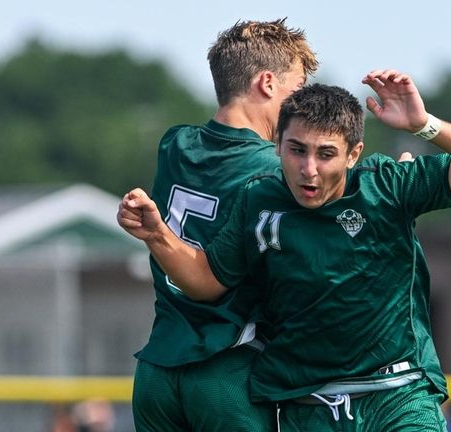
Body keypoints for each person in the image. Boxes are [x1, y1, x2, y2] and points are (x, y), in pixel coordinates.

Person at [119, 72, 451, 430]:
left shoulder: (387, 185)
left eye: (326, 154)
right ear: (277, 145)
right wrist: (157, 235)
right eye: (297, 150)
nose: (309, 168)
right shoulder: (258, 199)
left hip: (396, 396)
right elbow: (206, 281)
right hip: (307, 405)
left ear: (353, 154)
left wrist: (424, 125)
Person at [123, 18, 318, 432]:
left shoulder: (174, 143)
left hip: (158, 368)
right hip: (227, 368)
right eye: (296, 90)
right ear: (267, 83)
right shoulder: (275, 170)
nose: (301, 105)